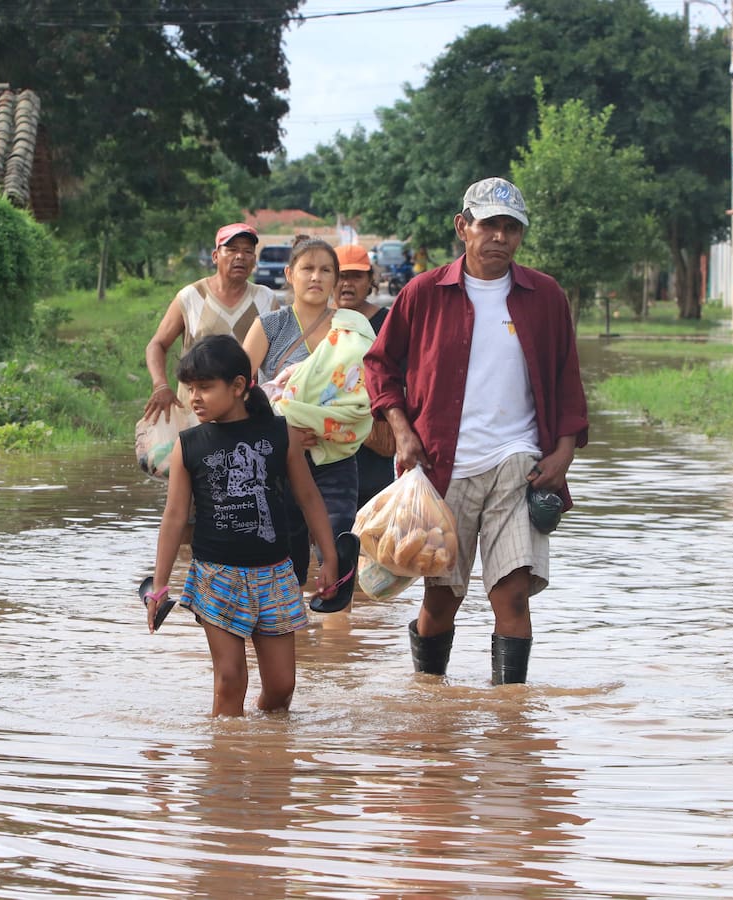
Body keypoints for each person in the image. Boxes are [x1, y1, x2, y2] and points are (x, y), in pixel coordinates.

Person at [364, 177, 589, 685]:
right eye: (489, 226)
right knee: (442, 600)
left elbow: (567, 379)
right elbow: (379, 366)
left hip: (521, 463)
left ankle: (511, 722)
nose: (500, 238)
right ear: (463, 227)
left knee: (510, 594)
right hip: (443, 467)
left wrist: (564, 454)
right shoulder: (424, 293)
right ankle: (430, 701)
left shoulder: (545, 296)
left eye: (512, 229)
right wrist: (402, 430)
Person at [145, 334, 340, 717]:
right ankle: (223, 766)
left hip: (275, 575)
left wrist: (329, 557)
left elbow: (309, 498)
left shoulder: (280, 434)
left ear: (238, 387)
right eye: (190, 388)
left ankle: (268, 757)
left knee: (282, 688)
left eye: (205, 387)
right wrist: (159, 584)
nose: (194, 398)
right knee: (230, 679)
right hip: (216, 575)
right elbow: (174, 516)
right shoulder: (189, 444)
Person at [243, 236, 372, 592]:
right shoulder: (269, 326)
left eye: (325, 270)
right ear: (290, 274)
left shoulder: (352, 328)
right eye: (308, 269)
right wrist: (284, 433)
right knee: (287, 557)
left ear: (335, 279)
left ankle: (335, 636)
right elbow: (238, 392)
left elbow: (365, 391)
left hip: (337, 456)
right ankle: (294, 637)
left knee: (339, 537)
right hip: (279, 458)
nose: (316, 277)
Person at [144, 223, 277, 424]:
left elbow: (279, 357)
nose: (240, 256)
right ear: (215, 256)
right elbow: (157, 345)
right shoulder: (190, 297)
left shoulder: (266, 299)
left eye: (247, 251)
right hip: (195, 417)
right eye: (232, 250)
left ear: (254, 260)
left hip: (248, 417)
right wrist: (161, 385)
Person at [333, 244, 396, 509]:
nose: (347, 283)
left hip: (375, 444)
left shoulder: (389, 322)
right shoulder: (322, 322)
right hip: (330, 449)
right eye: (341, 276)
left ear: (371, 281)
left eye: (356, 277)